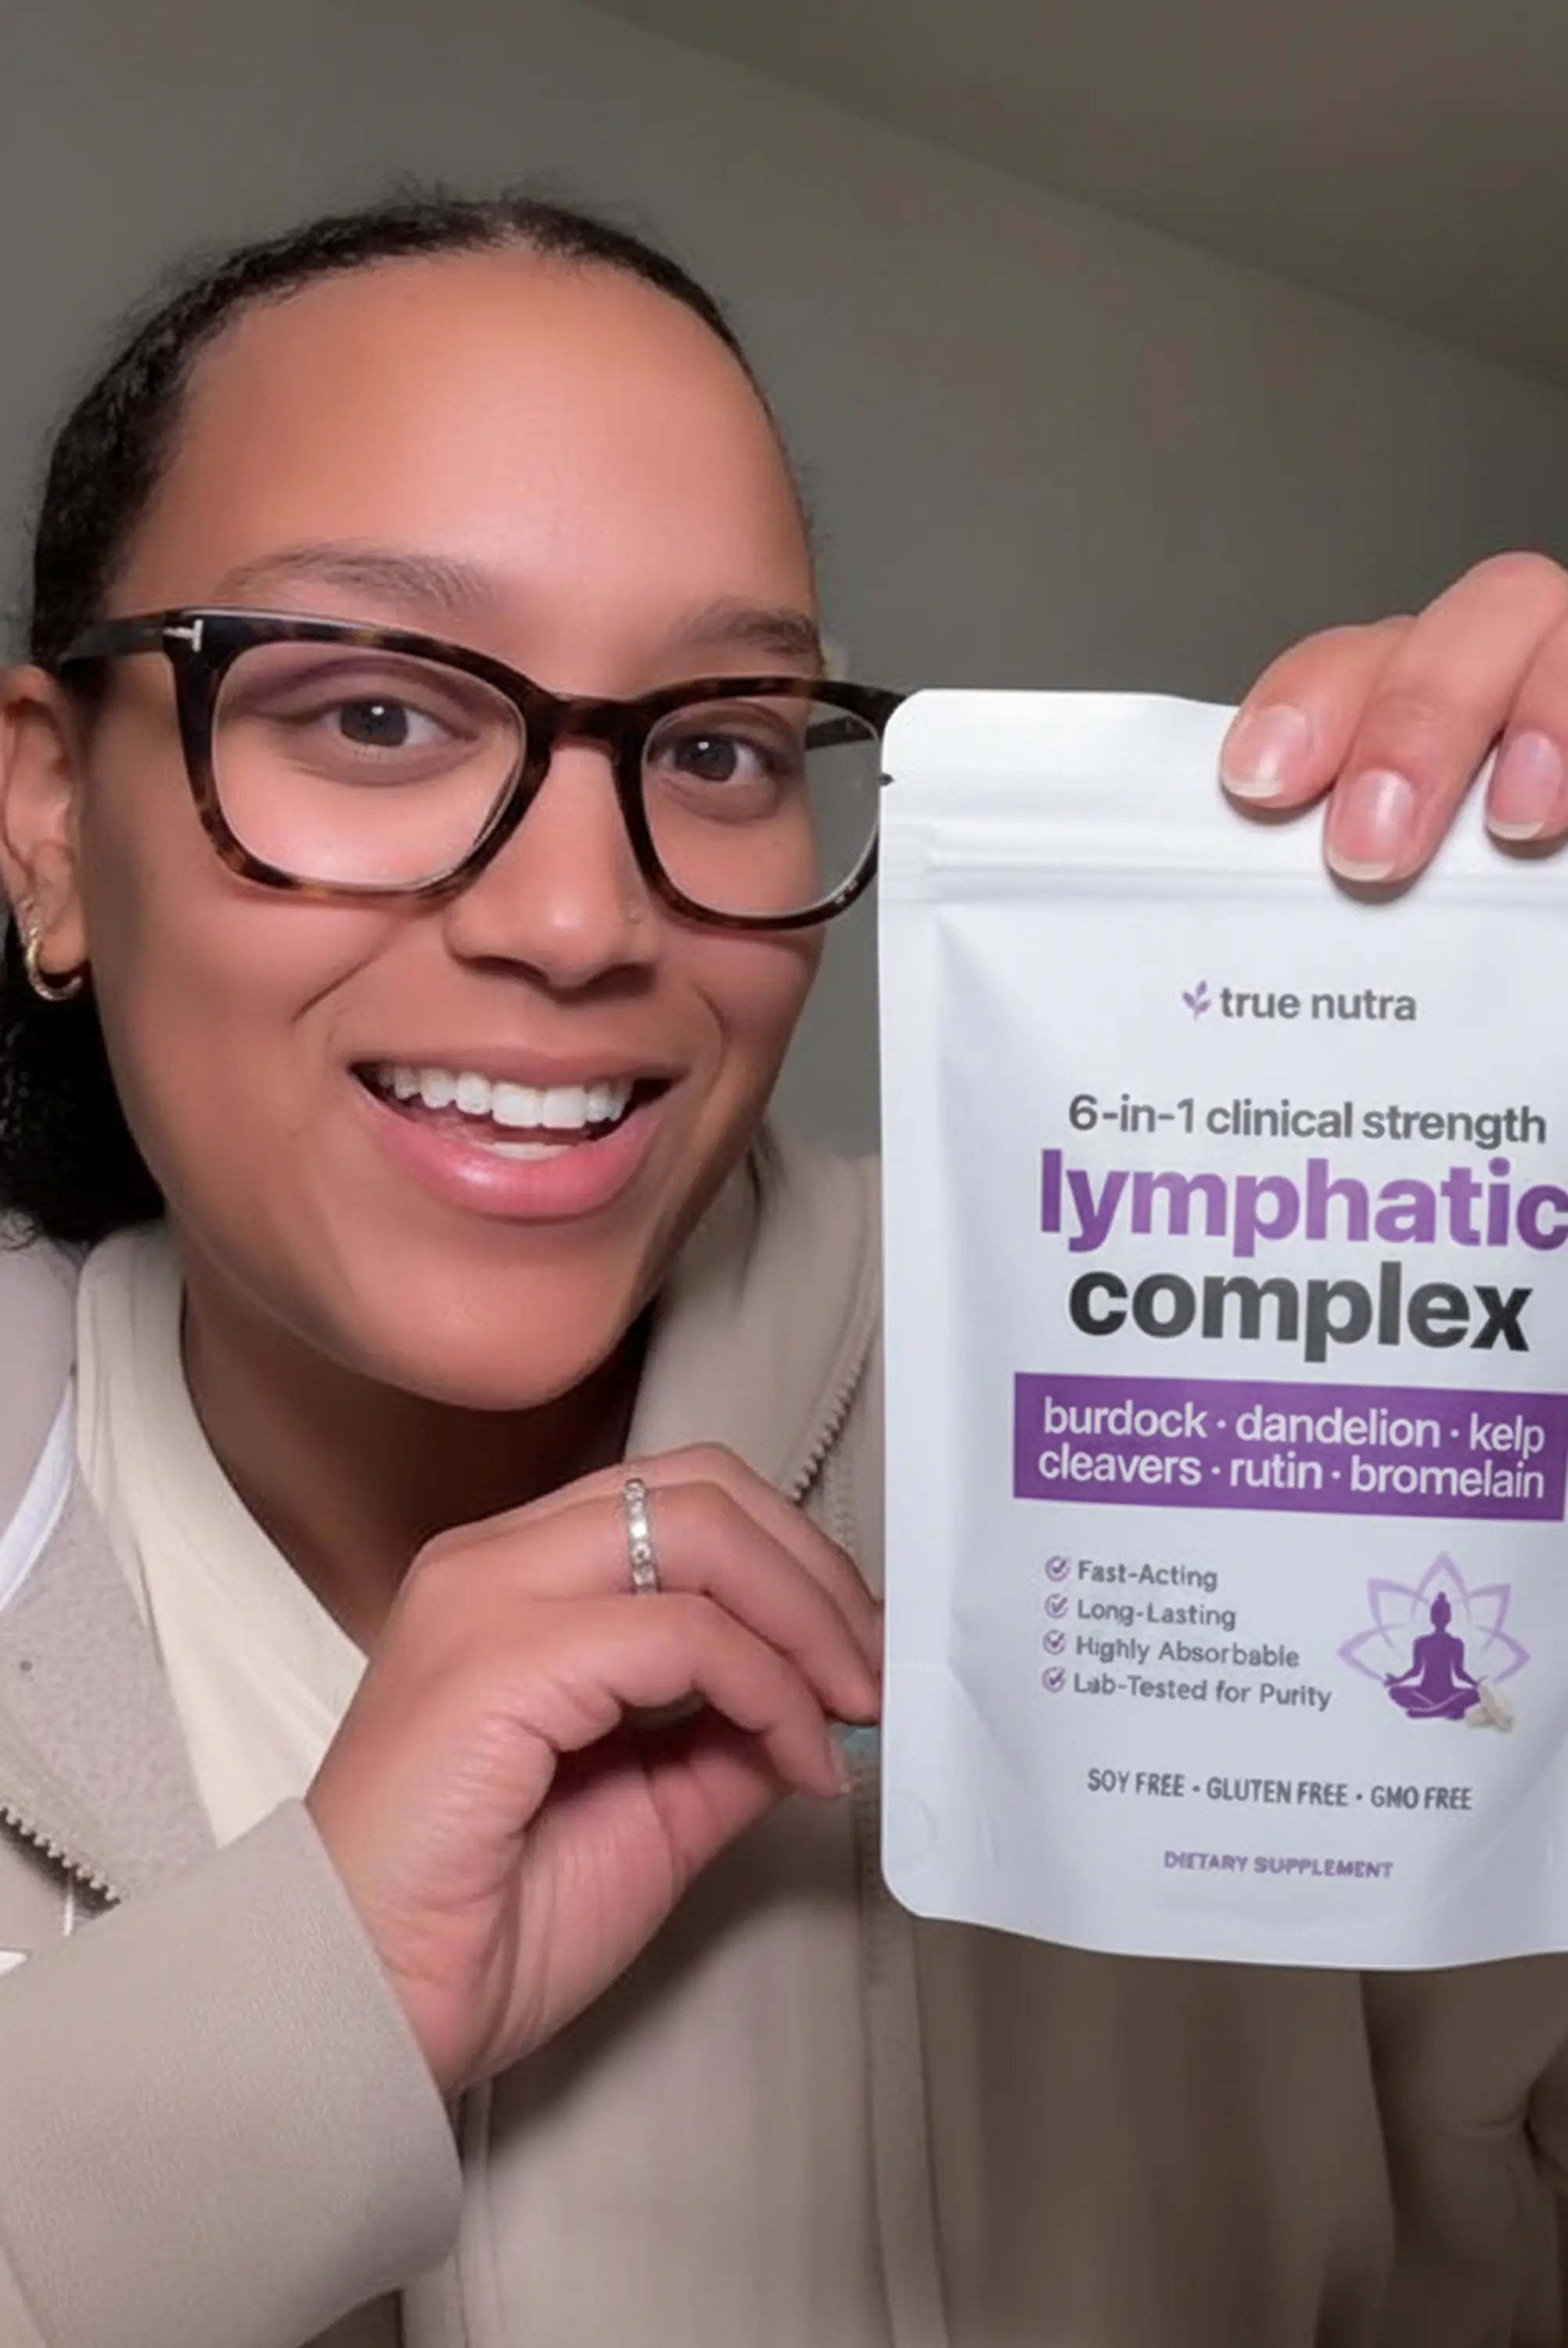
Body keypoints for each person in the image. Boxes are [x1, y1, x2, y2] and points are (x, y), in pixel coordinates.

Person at [2, 189, 1568, 2348]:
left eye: (716, 743)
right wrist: (268, 2051)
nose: (579, 920)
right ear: (50, 823)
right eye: (372, 716)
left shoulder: (1252, 1428)